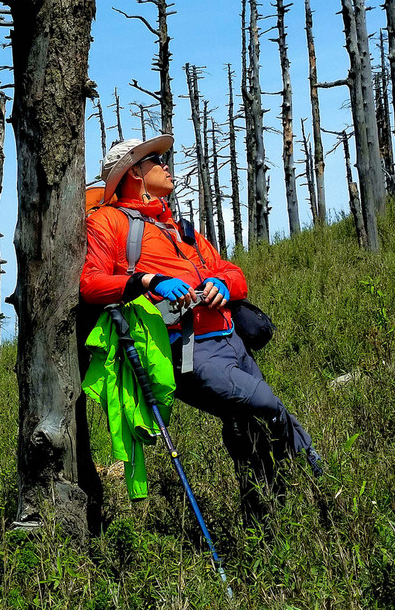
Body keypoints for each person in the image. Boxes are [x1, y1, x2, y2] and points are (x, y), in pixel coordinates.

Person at [80, 134, 321, 522]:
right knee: (266, 405)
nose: (167, 167)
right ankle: (318, 472)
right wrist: (148, 281)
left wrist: (223, 286)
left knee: (246, 429)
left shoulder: (178, 228)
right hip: (187, 350)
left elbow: (233, 272)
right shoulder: (108, 222)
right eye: (157, 160)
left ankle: (267, 519)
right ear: (134, 174)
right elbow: (90, 283)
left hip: (232, 341)